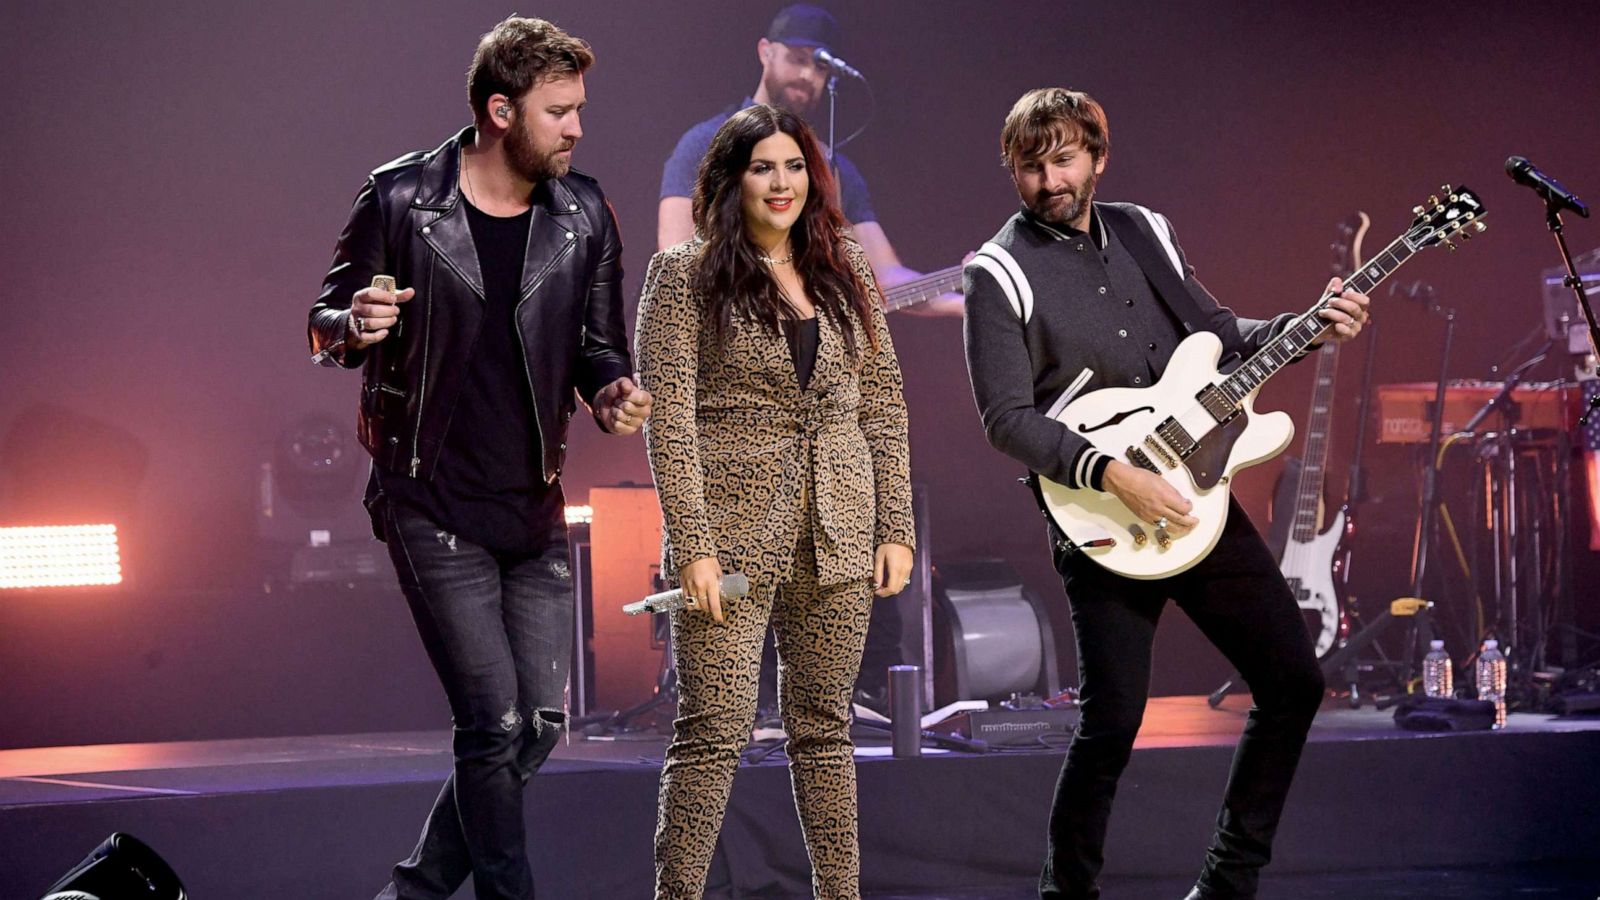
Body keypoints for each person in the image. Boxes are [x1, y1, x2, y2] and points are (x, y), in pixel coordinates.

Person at [962, 88, 1370, 900]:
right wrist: (1115, 474)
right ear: (1011, 169)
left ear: (1098, 157)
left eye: (1064, 159)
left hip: (1199, 499)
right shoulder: (996, 273)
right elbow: (1006, 419)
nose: (1049, 180)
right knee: (1110, 728)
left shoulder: (1146, 230)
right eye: (1030, 165)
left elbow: (1216, 333)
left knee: (1294, 684)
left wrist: (1308, 323)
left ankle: (1228, 885)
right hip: (1103, 516)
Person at [307, 17, 651, 900]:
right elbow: (325, 319)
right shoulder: (399, 199)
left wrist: (611, 390)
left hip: (530, 508)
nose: (577, 128)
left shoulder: (585, 214)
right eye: (560, 111)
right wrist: (354, 327)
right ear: (501, 111)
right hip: (430, 500)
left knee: (535, 727)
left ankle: (412, 893)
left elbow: (597, 347)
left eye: (580, 110)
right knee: (491, 724)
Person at [635, 103, 916, 899]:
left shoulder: (846, 269)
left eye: (795, 166)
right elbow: (671, 419)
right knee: (713, 733)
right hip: (727, 537)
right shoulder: (682, 274)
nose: (782, 182)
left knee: (824, 731)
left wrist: (893, 523)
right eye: (764, 167)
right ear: (731, 179)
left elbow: (883, 402)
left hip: (841, 525)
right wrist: (691, 543)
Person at [657, 3, 963, 317]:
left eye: (820, 68)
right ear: (766, 52)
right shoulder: (705, 143)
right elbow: (676, 262)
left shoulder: (834, 170)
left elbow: (884, 278)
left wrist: (967, 293)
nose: (807, 75)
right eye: (797, 59)